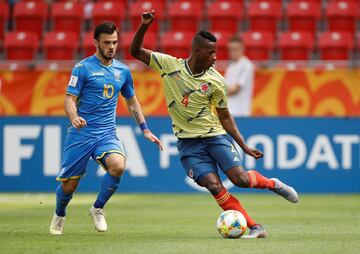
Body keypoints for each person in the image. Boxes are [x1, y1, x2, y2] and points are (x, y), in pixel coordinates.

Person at [130, 11, 298, 239]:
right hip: (188, 145)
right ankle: (255, 226)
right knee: (214, 186)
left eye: (216, 52)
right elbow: (135, 52)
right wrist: (144, 26)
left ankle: (272, 184)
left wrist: (244, 145)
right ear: (197, 51)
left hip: (214, 137)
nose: (215, 57)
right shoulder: (170, 66)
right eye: (211, 52)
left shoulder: (216, 80)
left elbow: (225, 116)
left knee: (240, 179)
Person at [49, 21, 163, 235]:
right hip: (81, 133)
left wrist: (145, 129)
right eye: (107, 43)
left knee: (118, 166)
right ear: (96, 43)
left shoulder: (123, 71)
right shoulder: (82, 68)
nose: (112, 47)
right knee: (69, 187)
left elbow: (132, 102)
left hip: (106, 133)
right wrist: (74, 117)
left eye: (115, 42)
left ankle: (98, 208)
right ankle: (60, 214)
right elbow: (69, 99)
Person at [224, 36, 254, 117]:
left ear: (242, 49)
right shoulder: (230, 66)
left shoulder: (246, 65)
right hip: (230, 112)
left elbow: (235, 90)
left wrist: (214, 90)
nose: (232, 52)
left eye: (235, 49)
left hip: (241, 113)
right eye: (230, 49)